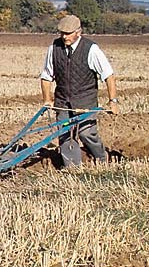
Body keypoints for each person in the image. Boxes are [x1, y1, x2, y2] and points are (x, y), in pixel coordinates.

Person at [39, 14, 119, 167]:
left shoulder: (91, 49)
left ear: (78, 32)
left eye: (68, 33)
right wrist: (47, 100)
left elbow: (109, 76)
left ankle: (102, 159)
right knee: (64, 135)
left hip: (85, 100)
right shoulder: (54, 48)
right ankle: (73, 169)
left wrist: (113, 101)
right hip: (62, 100)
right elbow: (46, 77)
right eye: (62, 33)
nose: (64, 36)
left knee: (86, 133)